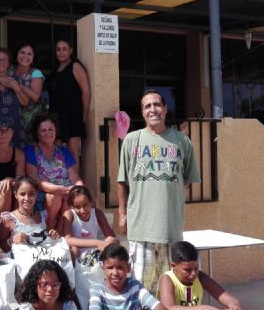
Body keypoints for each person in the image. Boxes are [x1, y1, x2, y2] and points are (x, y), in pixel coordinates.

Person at [117, 89, 200, 293]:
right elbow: (122, 181)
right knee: (141, 287)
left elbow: (187, 180)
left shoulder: (182, 141)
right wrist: (122, 214)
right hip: (140, 228)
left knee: (170, 288)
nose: (152, 109)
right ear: (142, 112)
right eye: (147, 106)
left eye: (156, 105)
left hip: (170, 228)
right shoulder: (131, 140)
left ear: (165, 109)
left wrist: (169, 200)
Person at [24, 113, 83, 229]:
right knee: (54, 197)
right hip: (43, 192)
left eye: (51, 129)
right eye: (43, 130)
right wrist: (55, 189)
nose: (48, 133)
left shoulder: (64, 152)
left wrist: (79, 188)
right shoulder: (30, 151)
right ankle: (49, 229)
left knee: (71, 197)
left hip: (65, 190)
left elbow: (74, 176)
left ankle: (62, 231)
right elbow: (34, 178)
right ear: (37, 133)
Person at [0, 42, 44, 134]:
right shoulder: (9, 69)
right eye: (22, 52)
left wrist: (17, 84)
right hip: (11, 118)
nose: (25, 56)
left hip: (31, 119)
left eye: (29, 54)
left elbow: (35, 97)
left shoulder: (36, 73)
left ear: (33, 58)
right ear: (16, 55)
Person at [157, 241, 242, 309]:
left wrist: (234, 305)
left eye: (196, 268)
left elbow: (230, 300)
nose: (193, 273)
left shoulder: (200, 277)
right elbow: (168, 308)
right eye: (187, 270)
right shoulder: (167, 279)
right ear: (173, 266)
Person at [49, 39, 91, 172]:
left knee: (73, 152)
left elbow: (86, 91)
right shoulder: (55, 71)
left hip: (73, 115)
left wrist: (83, 116)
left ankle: (75, 187)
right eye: (58, 49)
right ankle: (58, 180)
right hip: (56, 116)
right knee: (55, 150)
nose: (61, 52)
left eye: (64, 49)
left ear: (71, 51)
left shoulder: (75, 66)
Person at [88, 244, 165, 310]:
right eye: (110, 268)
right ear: (103, 267)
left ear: (128, 268)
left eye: (120, 268)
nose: (115, 273)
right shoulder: (97, 290)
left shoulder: (135, 287)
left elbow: (157, 306)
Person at [0, 175, 60, 252]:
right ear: (16, 194)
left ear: (36, 194)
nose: (27, 198)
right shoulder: (8, 219)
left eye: (31, 194)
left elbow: (47, 238)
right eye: (22, 194)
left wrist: (52, 235)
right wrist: (11, 240)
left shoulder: (43, 216)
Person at [61, 185, 118, 260]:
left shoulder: (97, 214)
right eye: (77, 207)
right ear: (72, 206)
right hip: (77, 253)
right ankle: (73, 271)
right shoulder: (69, 215)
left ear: (91, 202)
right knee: (74, 250)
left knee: (112, 240)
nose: (82, 211)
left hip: (94, 252)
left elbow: (111, 235)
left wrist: (110, 240)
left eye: (85, 205)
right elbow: (67, 239)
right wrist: (97, 243)